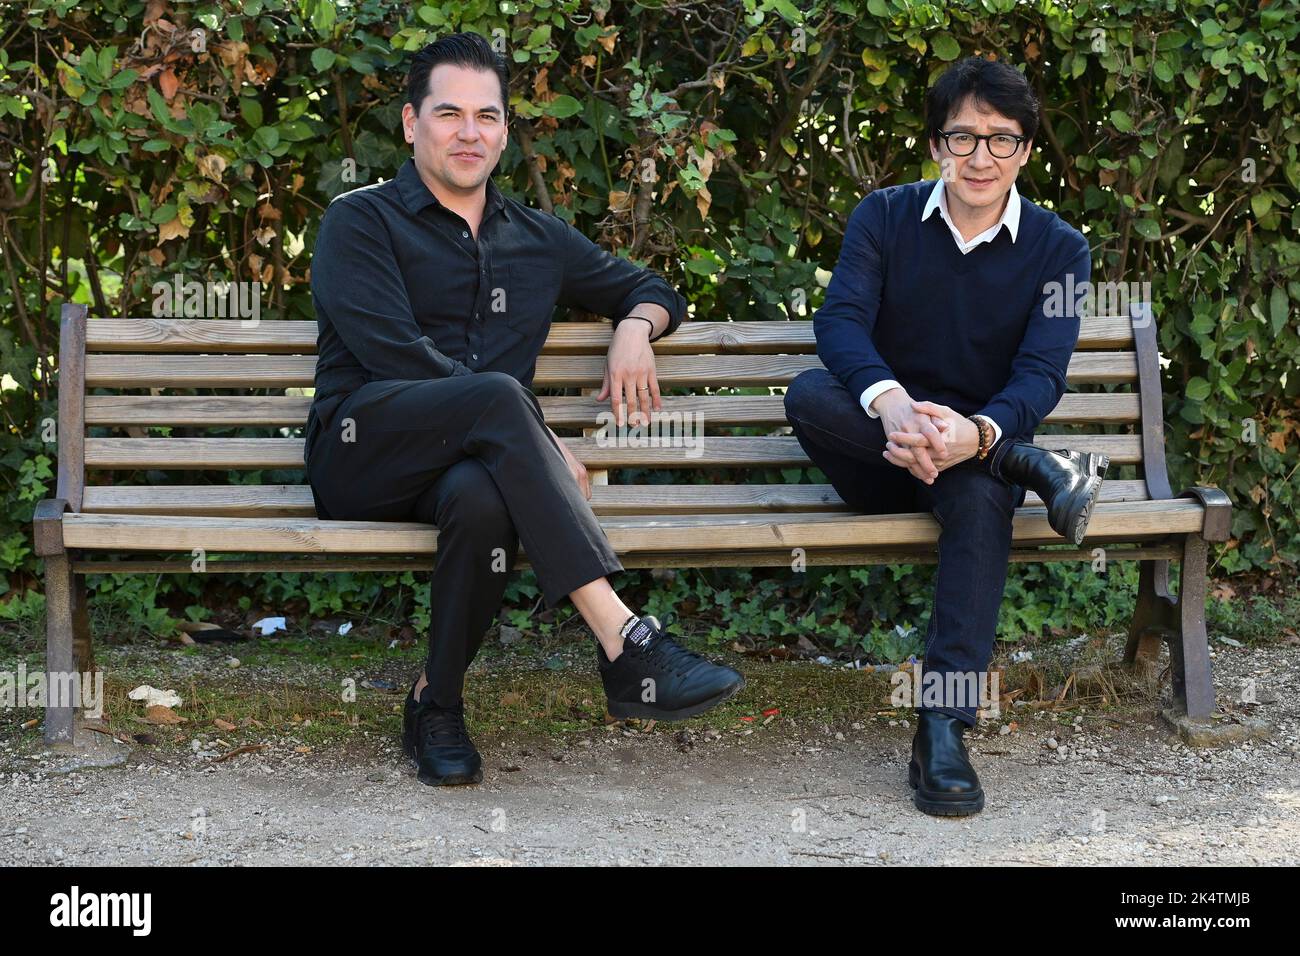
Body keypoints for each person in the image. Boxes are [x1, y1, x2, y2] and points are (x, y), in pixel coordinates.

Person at [305, 32, 744, 787]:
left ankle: (435, 703)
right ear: (411, 124)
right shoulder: (361, 222)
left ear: (505, 130)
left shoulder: (538, 238)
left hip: (473, 471)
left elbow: (654, 287)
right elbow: (396, 357)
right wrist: (529, 430)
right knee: (499, 399)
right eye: (449, 113)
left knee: (482, 500)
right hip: (364, 453)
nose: (468, 132)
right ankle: (624, 640)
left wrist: (636, 327)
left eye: (487, 115)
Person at [783, 56, 1106, 816]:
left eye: (1002, 139)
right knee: (807, 395)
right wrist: (893, 405)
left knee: (981, 502)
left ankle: (943, 728)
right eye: (963, 138)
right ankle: (1024, 463)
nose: (981, 157)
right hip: (878, 451)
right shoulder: (885, 216)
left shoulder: (1059, 248)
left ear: (1026, 150)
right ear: (935, 146)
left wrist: (981, 432)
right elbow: (841, 323)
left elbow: (1040, 373)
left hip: (970, 460)